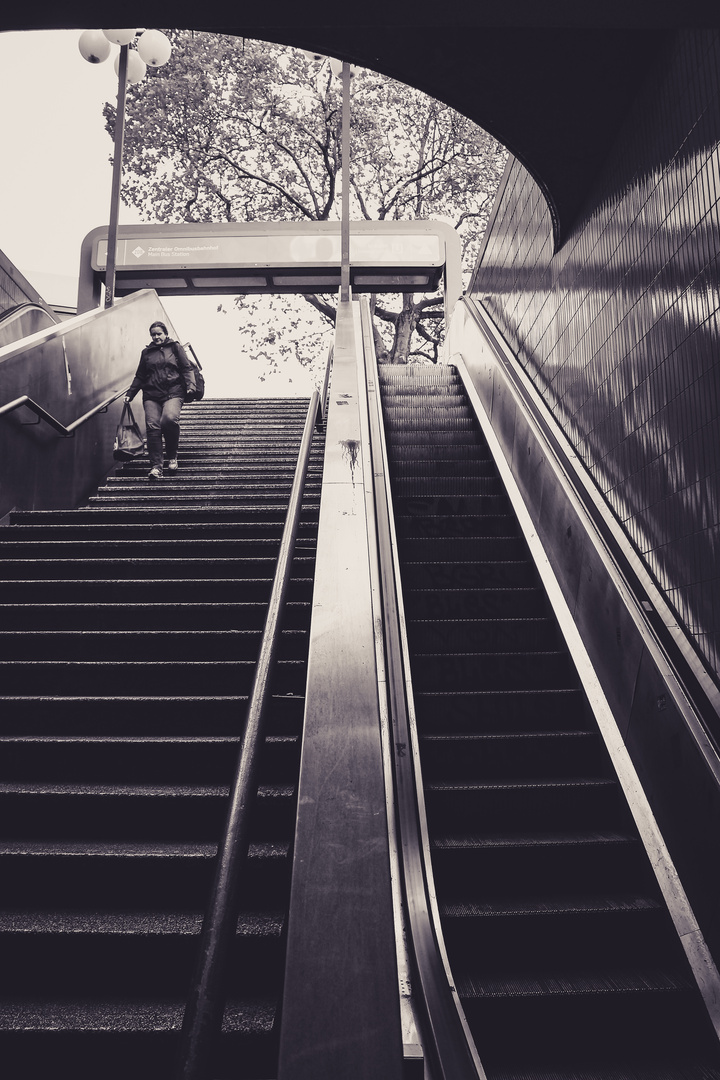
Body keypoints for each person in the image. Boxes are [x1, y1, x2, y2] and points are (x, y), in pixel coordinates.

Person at [125, 322, 197, 480]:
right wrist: (130, 393)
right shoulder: (146, 353)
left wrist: (191, 386)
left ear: (165, 334)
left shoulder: (175, 348)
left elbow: (186, 368)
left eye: (159, 334)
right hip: (151, 395)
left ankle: (172, 456)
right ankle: (156, 467)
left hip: (173, 391)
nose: (156, 337)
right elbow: (140, 376)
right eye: (153, 334)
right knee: (153, 428)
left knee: (169, 420)